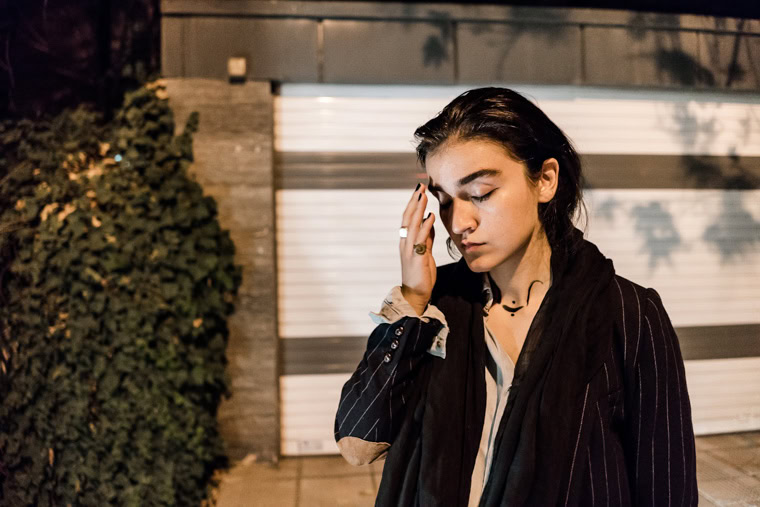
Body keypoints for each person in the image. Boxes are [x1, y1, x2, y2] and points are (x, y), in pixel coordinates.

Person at [333, 87, 698, 506]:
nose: (459, 222)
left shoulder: (628, 314)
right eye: (445, 200)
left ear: (545, 180)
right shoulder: (436, 306)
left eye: (481, 193)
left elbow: (666, 484)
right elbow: (357, 445)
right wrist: (412, 298)